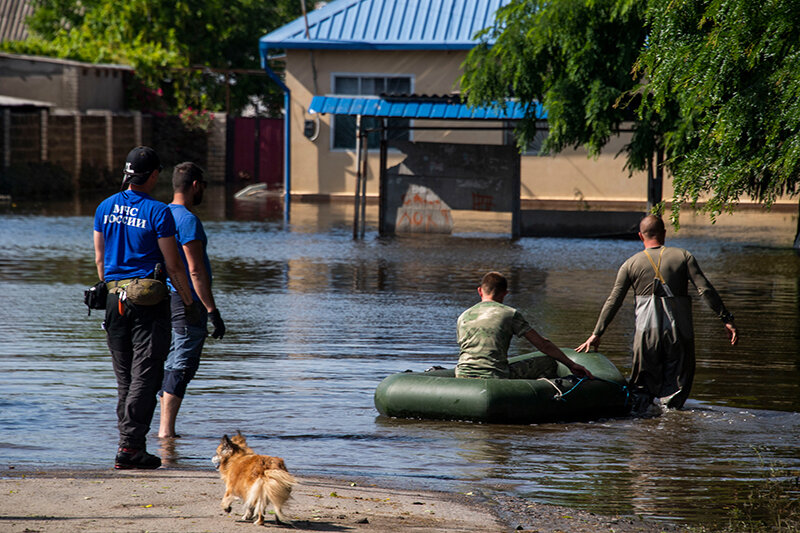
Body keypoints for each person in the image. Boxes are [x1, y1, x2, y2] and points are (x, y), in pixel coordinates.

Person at [94, 146, 200, 469]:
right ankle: (129, 448)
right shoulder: (158, 212)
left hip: (114, 301)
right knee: (146, 375)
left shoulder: (104, 207)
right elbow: (174, 266)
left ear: (127, 174)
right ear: (153, 176)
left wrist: (114, 288)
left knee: (125, 378)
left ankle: (129, 445)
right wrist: (188, 300)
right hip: (148, 305)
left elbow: (100, 260)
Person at [576, 214, 738, 411]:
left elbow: (614, 301)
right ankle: (671, 426)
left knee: (641, 392)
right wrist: (726, 318)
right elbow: (705, 290)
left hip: (646, 335)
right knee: (675, 392)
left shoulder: (630, 264)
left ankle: (645, 430)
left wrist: (596, 333)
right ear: (664, 233)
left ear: (640, 236)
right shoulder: (683, 257)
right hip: (679, 333)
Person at [158, 162, 225, 439]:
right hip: (186, 302)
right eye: (204, 187)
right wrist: (212, 311)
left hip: (165, 299)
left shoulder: (160, 213)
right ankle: (166, 432)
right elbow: (195, 270)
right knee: (182, 364)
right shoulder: (187, 219)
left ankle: (164, 432)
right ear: (196, 185)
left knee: (172, 360)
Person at [457, 271, 592, 380]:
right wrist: (571, 364)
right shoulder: (510, 314)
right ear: (505, 293)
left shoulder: (463, 316)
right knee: (549, 362)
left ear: (480, 291)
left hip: (461, 374)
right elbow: (543, 345)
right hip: (495, 376)